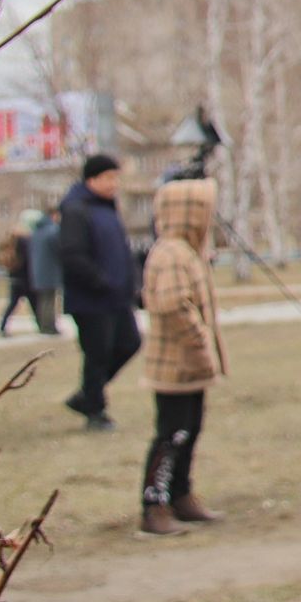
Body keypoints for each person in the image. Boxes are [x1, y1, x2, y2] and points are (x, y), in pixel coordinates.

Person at [138, 177, 228, 537]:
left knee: (189, 430)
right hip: (175, 363)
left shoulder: (187, 251)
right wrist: (197, 343)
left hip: (191, 365)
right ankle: (153, 503)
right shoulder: (172, 252)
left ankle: (180, 494)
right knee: (171, 434)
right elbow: (174, 305)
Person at [59, 154, 142, 432]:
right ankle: (95, 411)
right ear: (92, 179)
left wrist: (133, 285)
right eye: (109, 177)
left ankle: (87, 395)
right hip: (91, 299)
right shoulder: (75, 209)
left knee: (130, 343)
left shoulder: (107, 209)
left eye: (116, 177)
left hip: (117, 297)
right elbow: (72, 255)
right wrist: (100, 280)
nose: (114, 183)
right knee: (97, 355)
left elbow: (120, 251)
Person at [0, 210, 35, 335]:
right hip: (25, 277)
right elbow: (29, 260)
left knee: (12, 304)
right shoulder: (24, 242)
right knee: (34, 302)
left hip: (14, 277)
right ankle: (42, 325)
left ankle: (2, 326)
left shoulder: (10, 242)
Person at [27, 205, 62, 335]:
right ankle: (50, 326)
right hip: (50, 271)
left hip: (38, 271)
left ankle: (43, 325)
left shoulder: (36, 232)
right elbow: (60, 250)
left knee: (43, 301)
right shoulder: (53, 230)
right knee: (50, 301)